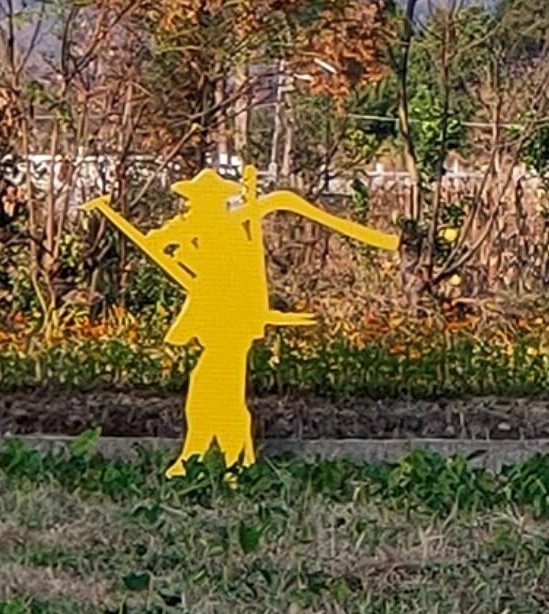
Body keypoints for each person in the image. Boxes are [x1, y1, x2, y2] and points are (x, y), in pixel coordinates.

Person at [87, 162, 399, 471]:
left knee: (217, 392)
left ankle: (218, 458)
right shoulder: (195, 223)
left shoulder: (231, 231)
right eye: (194, 199)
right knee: (210, 389)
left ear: (216, 201)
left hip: (232, 323)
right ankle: (218, 457)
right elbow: (162, 237)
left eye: (203, 199)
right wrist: (165, 243)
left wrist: (190, 258)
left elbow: (233, 277)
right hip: (215, 321)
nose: (194, 205)